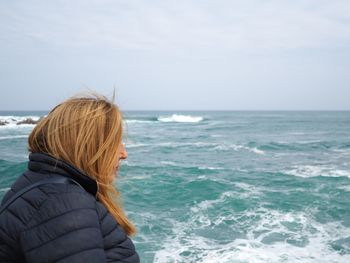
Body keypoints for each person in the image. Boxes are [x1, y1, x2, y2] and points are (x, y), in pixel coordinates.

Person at [0, 93, 140, 262]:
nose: (124, 153)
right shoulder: (63, 203)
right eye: (116, 142)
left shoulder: (44, 185)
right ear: (90, 146)